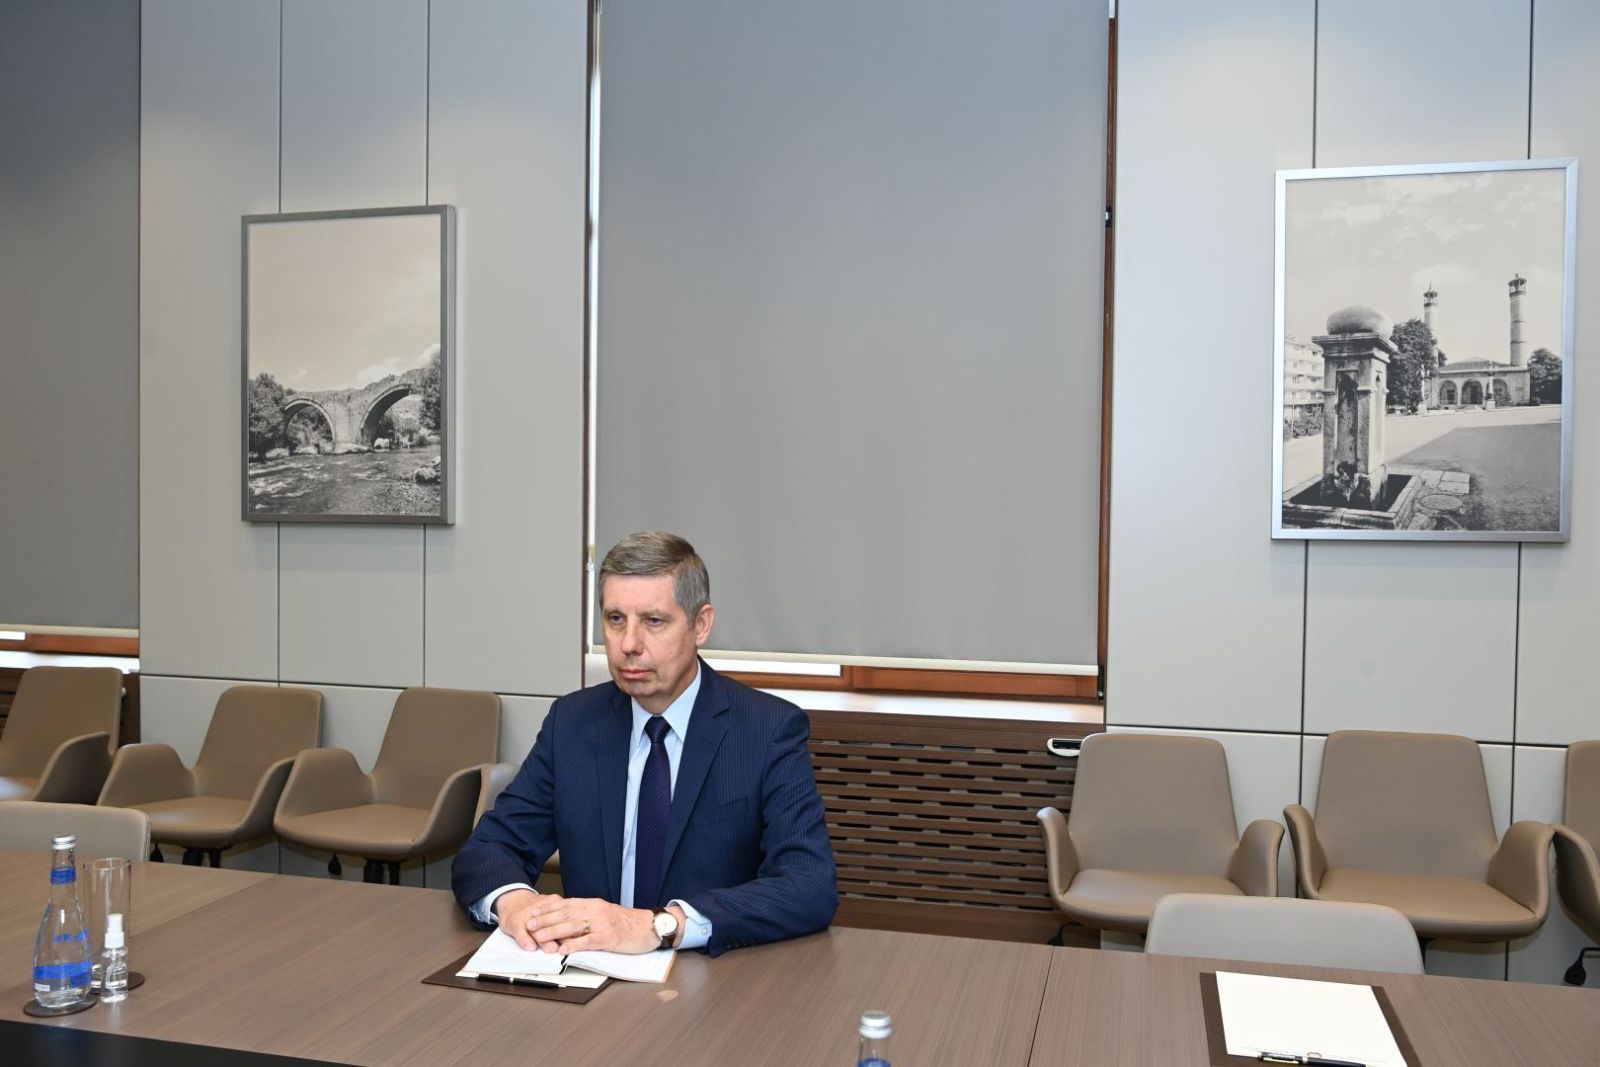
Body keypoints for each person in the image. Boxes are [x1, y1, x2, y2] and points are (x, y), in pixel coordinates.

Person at [452, 531, 838, 957]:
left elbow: (808, 885)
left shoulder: (767, 729)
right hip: (589, 971)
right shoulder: (573, 723)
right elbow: (489, 848)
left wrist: (659, 925)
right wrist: (519, 905)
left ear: (701, 624)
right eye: (616, 619)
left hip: (712, 976)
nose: (629, 645)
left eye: (654, 621)